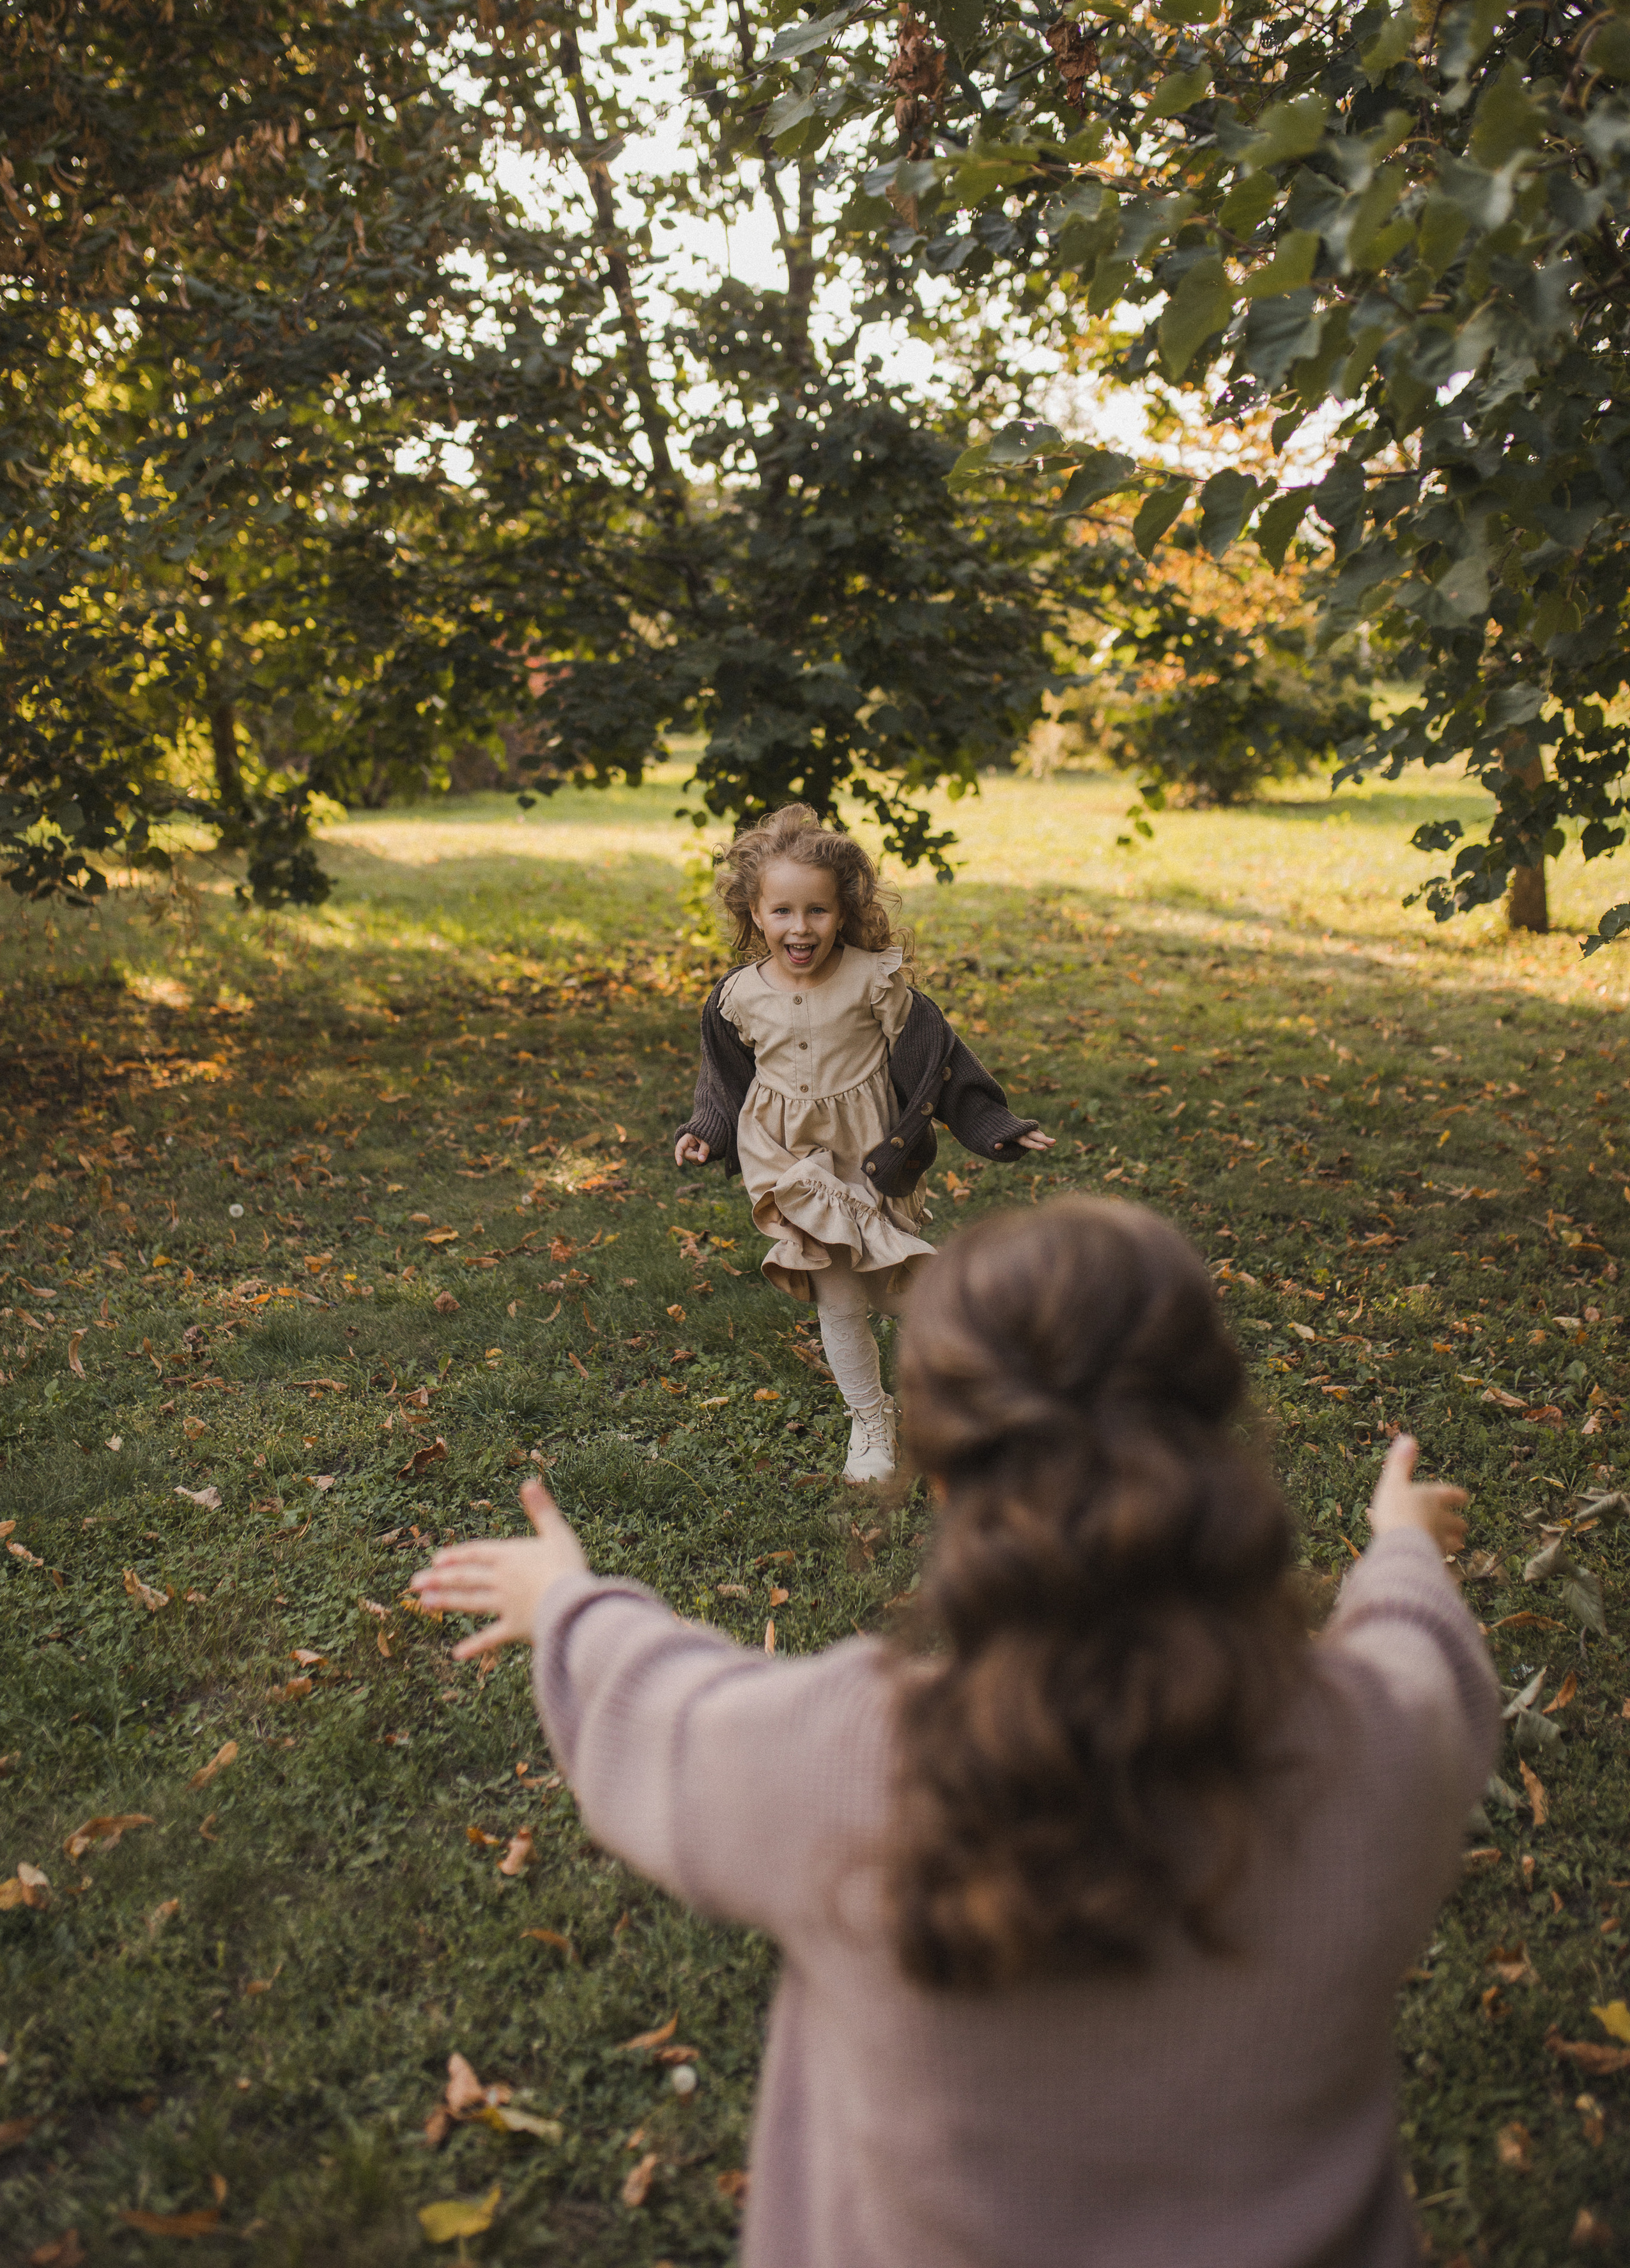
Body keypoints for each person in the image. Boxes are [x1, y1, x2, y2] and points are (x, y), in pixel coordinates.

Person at [412, 1195, 1498, 2268]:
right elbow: (1424, 1655)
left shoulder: (844, 1768)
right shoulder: (1382, 1751)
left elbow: (664, 1706)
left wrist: (565, 1600)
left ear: (938, 1475)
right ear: (1212, 1435)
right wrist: (1402, 1548)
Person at [672, 801, 1052, 1481]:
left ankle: (986, 1384)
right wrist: (708, 1131)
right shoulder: (737, 997)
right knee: (840, 1297)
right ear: (755, 914)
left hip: (871, 1155)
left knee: (900, 1289)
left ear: (842, 913)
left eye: (816, 911)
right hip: (788, 1162)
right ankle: (869, 1424)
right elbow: (724, 1080)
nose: (800, 926)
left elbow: (935, 1058)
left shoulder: (871, 979)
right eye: (782, 911)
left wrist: (993, 1125)